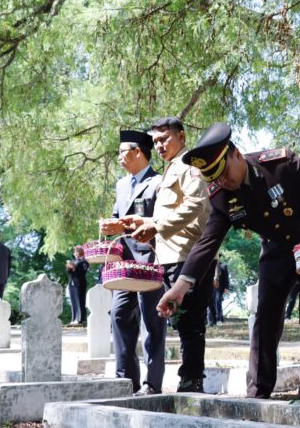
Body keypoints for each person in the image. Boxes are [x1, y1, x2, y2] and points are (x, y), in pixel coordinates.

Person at [156, 122, 300, 403]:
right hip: (276, 252)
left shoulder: (282, 164)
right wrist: (180, 287)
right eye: (214, 179)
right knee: (265, 322)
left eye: (223, 174)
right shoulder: (222, 196)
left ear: (235, 154)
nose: (222, 182)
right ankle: (257, 394)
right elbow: (208, 242)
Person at [124, 116, 214, 393]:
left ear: (182, 137)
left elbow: (197, 206)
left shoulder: (189, 166)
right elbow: (167, 215)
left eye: (165, 139)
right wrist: (144, 224)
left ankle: (192, 381)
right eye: (155, 142)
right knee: (181, 320)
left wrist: (157, 226)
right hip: (170, 255)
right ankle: (189, 378)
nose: (160, 146)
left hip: (188, 255)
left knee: (190, 321)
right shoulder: (170, 169)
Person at [99, 129, 165, 396]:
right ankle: (126, 379)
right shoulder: (121, 185)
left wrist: (127, 226)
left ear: (138, 152)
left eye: (122, 152)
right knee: (119, 315)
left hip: (150, 263)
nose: (118, 157)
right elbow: (119, 218)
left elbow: (161, 223)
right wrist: (110, 226)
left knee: (152, 322)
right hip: (124, 265)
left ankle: (153, 383)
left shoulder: (159, 182)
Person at [65, 245, 90, 325]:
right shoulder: (74, 261)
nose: (75, 253)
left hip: (80, 283)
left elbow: (83, 271)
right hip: (72, 283)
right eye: (74, 252)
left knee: (80, 300)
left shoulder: (84, 261)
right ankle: (74, 318)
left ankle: (81, 319)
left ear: (80, 252)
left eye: (76, 252)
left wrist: (75, 268)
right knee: (73, 300)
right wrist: (69, 268)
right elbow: (71, 273)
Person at [208, 259, 229, 326]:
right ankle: (211, 320)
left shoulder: (223, 265)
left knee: (217, 303)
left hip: (219, 289)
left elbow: (226, 278)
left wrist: (226, 287)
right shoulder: (208, 264)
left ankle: (219, 319)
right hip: (210, 288)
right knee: (210, 304)